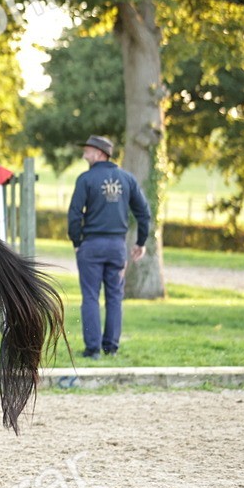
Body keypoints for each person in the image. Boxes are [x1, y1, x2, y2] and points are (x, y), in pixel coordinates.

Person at [67, 135, 152, 359]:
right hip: (117, 246)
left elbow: (75, 214)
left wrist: (76, 242)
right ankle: (111, 347)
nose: (85, 152)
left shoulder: (85, 179)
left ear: (100, 153)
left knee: (90, 297)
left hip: (91, 246)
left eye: (88, 149)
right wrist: (140, 242)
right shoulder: (127, 179)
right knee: (115, 297)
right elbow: (144, 213)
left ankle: (93, 349)